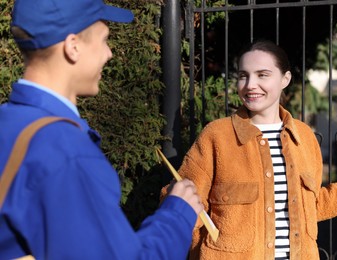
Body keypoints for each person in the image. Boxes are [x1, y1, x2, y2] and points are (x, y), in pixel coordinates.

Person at [0, 0, 203, 259]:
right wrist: (178, 214)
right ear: (73, 46)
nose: (109, 54)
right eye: (104, 40)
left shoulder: (8, 122)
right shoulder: (67, 151)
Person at [161, 40, 337, 259]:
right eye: (243, 76)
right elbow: (182, 206)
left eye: (262, 75)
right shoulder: (217, 136)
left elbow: (314, 205)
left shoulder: (304, 137)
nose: (250, 85)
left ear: (285, 79)